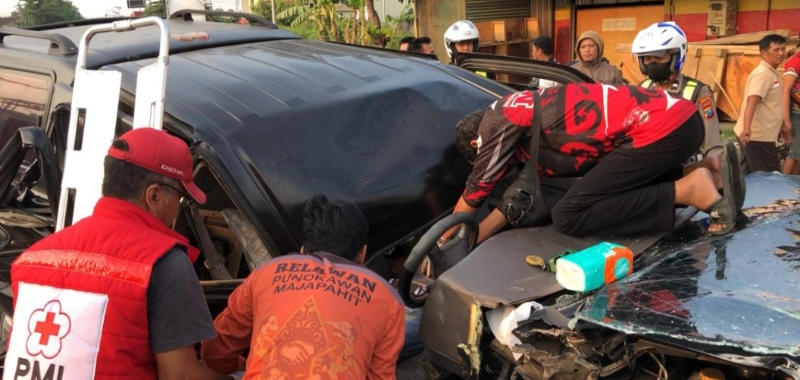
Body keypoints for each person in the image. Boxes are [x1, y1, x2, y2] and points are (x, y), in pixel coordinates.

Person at [5, 128, 234, 379]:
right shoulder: (163, 263)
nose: (176, 212)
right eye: (179, 198)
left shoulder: (33, 257)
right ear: (154, 195)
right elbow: (180, 376)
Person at [443, 84, 742, 243]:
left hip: (661, 130)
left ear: (476, 144)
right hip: (680, 120)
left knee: (569, 215)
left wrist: (442, 245)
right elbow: (516, 201)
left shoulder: (496, 123)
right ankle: (709, 171)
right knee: (607, 184)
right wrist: (478, 237)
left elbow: (476, 191)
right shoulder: (524, 116)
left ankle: (690, 190)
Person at [201, 195, 405, 379]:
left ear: (302, 249)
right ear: (362, 253)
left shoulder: (266, 273)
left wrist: (242, 367)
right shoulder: (387, 298)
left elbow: (214, 351)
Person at [633, 21, 723, 159]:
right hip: (646, 164)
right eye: (647, 58)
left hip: (684, 167)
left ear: (676, 57)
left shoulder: (698, 92)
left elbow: (713, 143)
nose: (652, 62)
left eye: (658, 57)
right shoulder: (642, 89)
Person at [735, 34, 790, 173]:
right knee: (770, 177)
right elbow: (751, 102)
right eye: (776, 50)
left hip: (760, 136)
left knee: (747, 176)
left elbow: (772, 104)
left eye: (783, 49)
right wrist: (747, 129)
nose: (781, 53)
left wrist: (782, 124)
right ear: (763, 53)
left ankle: (732, 194)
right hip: (757, 137)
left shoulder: (771, 73)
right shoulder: (763, 74)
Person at [782, 33, 800, 175]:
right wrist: (786, 120)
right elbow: (785, 91)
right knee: (796, 153)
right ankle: (784, 188)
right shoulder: (795, 61)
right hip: (796, 113)